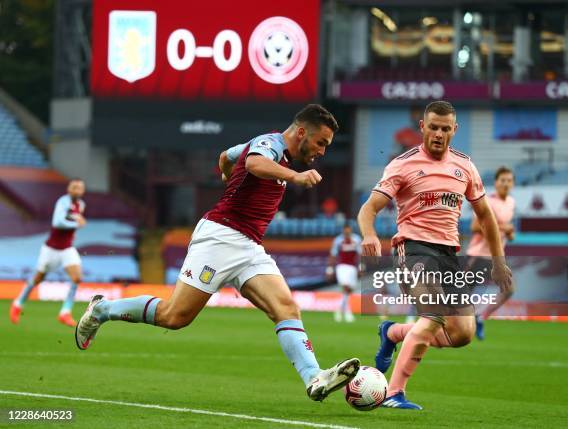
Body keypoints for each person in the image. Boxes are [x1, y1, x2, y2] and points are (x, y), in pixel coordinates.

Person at [75, 104, 360, 402]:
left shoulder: (267, 148)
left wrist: (226, 172)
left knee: (286, 308)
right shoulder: (271, 144)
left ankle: (313, 377)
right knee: (175, 317)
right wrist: (295, 177)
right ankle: (101, 310)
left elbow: (227, 156)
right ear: (301, 132)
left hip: (249, 246)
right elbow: (253, 164)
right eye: (320, 143)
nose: (322, 151)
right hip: (221, 236)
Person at [358, 101, 512, 410]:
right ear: (422, 128)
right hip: (412, 248)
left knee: (463, 333)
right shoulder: (403, 164)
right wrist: (370, 234)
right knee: (433, 315)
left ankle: (393, 332)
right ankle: (393, 393)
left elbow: (486, 217)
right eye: (433, 127)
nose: (439, 134)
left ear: (455, 130)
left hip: (448, 255)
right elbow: (368, 208)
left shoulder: (465, 166)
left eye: (445, 128)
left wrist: (498, 262)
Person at [10, 178, 87, 327]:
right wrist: (76, 223)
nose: (76, 190)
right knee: (38, 279)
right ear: (69, 189)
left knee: (77, 278)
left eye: (79, 188)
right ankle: (18, 303)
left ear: (82, 191)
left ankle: (65, 312)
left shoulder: (81, 205)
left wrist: (74, 230)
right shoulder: (63, 202)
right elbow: (57, 222)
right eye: (74, 187)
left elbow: (71, 227)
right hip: (51, 249)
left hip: (67, 248)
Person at [466, 166, 516, 340]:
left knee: (509, 289)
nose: (506, 184)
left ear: (513, 183)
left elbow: (505, 231)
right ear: (496, 183)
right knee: (463, 294)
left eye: (509, 180)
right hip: (478, 255)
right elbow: (474, 227)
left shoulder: (510, 202)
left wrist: (510, 233)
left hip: (497, 256)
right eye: (502, 180)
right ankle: (444, 323)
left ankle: (479, 316)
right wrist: (504, 227)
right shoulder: (488, 201)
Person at [327, 223, 362, 322]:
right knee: (345, 287)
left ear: (351, 230)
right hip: (341, 267)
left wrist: (360, 266)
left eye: (348, 230)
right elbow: (333, 254)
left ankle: (338, 310)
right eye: (345, 230)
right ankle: (348, 312)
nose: (347, 232)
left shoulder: (356, 239)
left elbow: (360, 254)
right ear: (343, 230)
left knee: (350, 290)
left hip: (352, 267)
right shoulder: (338, 240)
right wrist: (330, 268)